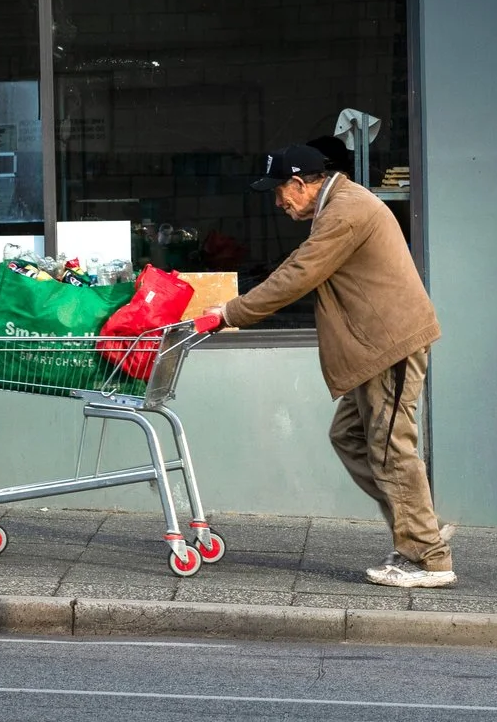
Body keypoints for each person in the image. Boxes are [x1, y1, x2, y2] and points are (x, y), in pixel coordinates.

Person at [193, 144, 453, 588]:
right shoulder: (339, 204)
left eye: (280, 193)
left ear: (300, 183)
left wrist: (230, 313)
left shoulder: (346, 211)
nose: (278, 203)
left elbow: (299, 274)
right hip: (375, 347)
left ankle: (427, 557)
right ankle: (419, 525)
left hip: (388, 344)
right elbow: (300, 266)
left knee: (391, 448)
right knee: (350, 436)